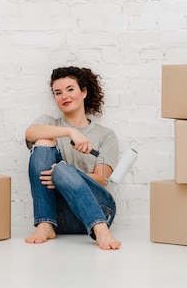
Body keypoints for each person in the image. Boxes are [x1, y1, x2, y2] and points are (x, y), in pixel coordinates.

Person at [24, 66, 122, 250]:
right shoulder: (49, 124)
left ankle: (100, 229)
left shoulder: (105, 135)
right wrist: (70, 132)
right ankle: (45, 224)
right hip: (59, 216)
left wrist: (64, 176)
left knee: (63, 169)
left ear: (84, 92)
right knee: (43, 140)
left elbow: (101, 179)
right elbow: (30, 133)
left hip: (99, 210)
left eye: (70, 89)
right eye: (58, 92)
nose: (64, 96)